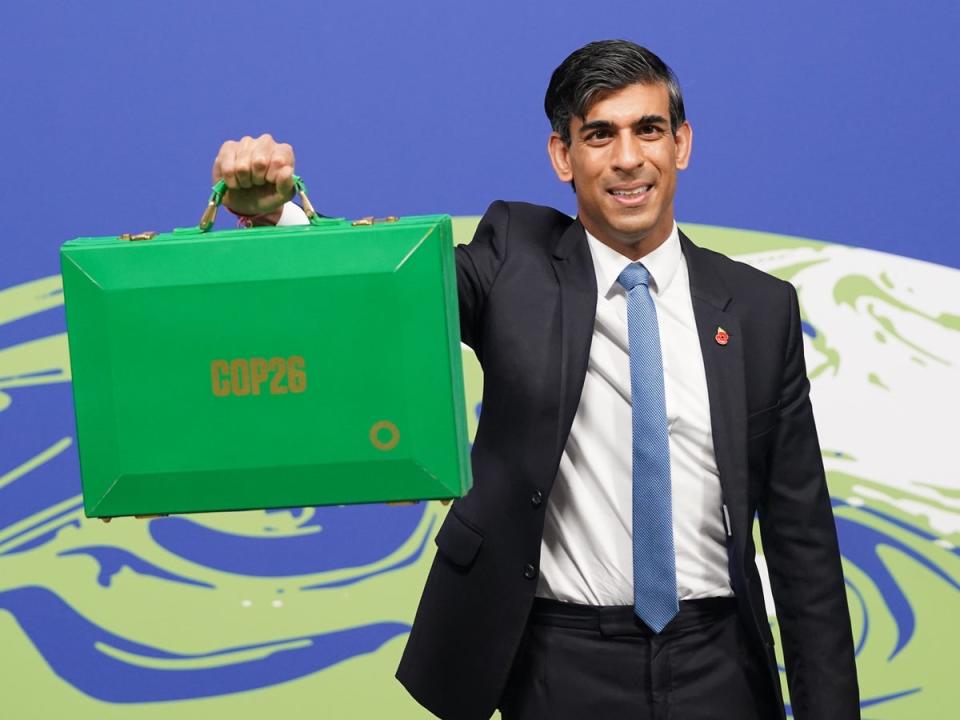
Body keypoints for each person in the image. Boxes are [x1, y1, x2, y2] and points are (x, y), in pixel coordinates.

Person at [212, 40, 859, 720]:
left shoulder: (758, 309)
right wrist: (273, 214)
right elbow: (379, 299)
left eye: (649, 129)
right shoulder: (511, 259)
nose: (629, 157)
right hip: (560, 665)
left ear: (682, 144)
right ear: (562, 156)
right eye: (599, 135)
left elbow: (802, 545)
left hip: (719, 664)